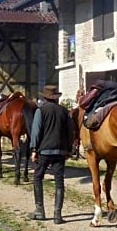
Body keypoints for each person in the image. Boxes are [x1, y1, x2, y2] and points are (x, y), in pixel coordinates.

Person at [30, 84, 73, 223]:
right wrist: (68, 149)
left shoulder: (40, 111)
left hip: (44, 150)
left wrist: (34, 149)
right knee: (59, 182)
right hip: (60, 150)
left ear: (45, 97)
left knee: (37, 177)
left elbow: (36, 131)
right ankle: (57, 215)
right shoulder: (64, 112)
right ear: (56, 98)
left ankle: (40, 210)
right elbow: (70, 132)